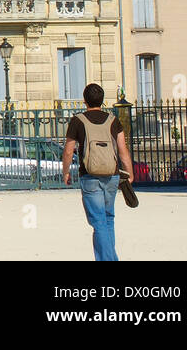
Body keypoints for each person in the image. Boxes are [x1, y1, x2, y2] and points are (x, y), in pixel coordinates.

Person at [62, 82, 135, 262]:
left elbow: (68, 150)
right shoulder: (113, 120)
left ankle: (109, 259)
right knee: (108, 218)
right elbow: (123, 149)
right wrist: (130, 172)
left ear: (85, 101)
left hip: (90, 175)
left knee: (98, 221)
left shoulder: (78, 120)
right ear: (102, 101)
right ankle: (106, 258)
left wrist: (65, 172)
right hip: (112, 174)